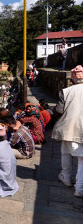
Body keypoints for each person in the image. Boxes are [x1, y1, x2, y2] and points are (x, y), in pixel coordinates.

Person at [52, 65, 83, 197]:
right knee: (81, 158)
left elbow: (59, 110)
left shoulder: (66, 91)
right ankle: (78, 187)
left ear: (72, 78)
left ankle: (71, 181)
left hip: (68, 126)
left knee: (66, 153)